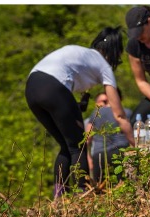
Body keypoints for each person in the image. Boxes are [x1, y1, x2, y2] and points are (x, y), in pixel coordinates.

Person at [26, 26, 135, 197]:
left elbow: (76, 84)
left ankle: (59, 198)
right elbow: (119, 114)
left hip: (32, 87)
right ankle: (82, 195)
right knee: (79, 146)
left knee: (66, 145)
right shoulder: (104, 66)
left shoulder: (82, 54)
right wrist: (135, 145)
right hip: (54, 87)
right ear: (114, 52)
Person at [84, 90, 132, 184]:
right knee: (122, 184)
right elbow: (132, 135)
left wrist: (87, 157)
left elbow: (87, 138)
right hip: (121, 152)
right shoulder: (126, 112)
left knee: (100, 187)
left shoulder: (96, 113)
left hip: (99, 155)